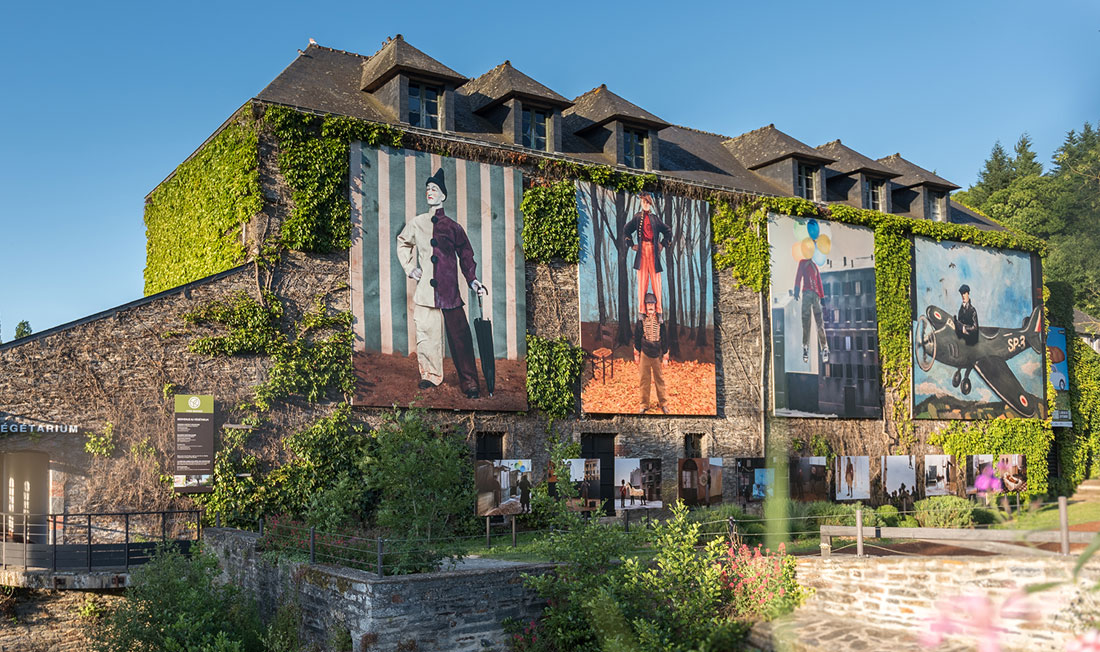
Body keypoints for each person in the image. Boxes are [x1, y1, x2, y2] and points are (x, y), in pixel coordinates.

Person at [396, 169, 488, 399]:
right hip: (426, 292)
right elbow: (402, 242)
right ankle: (429, 375)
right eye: (427, 189)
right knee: (426, 333)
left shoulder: (453, 227)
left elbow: (466, 254)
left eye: (434, 189)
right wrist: (410, 268)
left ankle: (469, 382)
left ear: (443, 196)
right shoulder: (417, 223)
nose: (429, 192)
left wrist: (473, 279)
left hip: (449, 292)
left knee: (460, 337)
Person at [624, 192, 672, 317]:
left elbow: (667, 230)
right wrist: (631, 244)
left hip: (653, 251)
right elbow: (626, 230)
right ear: (641, 202)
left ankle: (659, 311)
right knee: (642, 282)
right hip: (642, 252)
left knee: (656, 282)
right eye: (643, 202)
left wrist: (662, 244)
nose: (645, 204)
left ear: (650, 203)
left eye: (647, 202)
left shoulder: (655, 218)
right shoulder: (637, 217)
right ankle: (641, 311)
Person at [634, 292, 670, 414]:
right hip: (645, 352)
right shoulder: (641, 320)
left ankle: (663, 403)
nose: (650, 306)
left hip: (656, 353)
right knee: (644, 379)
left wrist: (665, 355)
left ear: (655, 305)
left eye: (652, 303)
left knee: (659, 379)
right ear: (645, 305)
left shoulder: (660, 320)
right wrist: (637, 353)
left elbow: (664, 337)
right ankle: (644, 404)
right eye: (648, 303)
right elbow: (637, 336)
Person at [793, 249, 829, 364]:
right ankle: (805, 346)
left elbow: (819, 283)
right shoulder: (803, 263)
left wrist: (822, 298)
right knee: (806, 321)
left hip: (816, 296)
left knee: (820, 322)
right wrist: (797, 288)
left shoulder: (815, 267)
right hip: (807, 294)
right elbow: (799, 275)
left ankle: (824, 347)